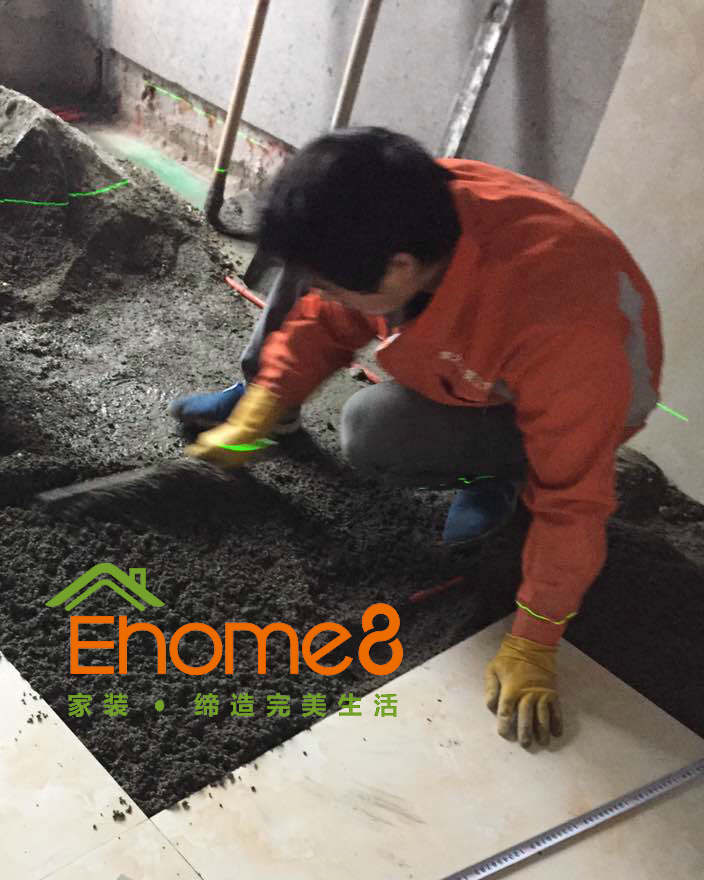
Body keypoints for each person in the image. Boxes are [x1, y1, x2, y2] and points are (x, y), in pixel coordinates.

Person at [170, 127, 662, 750]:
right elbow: (331, 313)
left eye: (332, 283)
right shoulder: (394, 211)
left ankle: (495, 472)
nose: (318, 292)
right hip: (492, 343)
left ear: (402, 268)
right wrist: (265, 404)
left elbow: (573, 503)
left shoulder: (565, 336)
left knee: (379, 432)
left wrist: (535, 641)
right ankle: (266, 395)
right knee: (328, 273)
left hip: (580, 397)